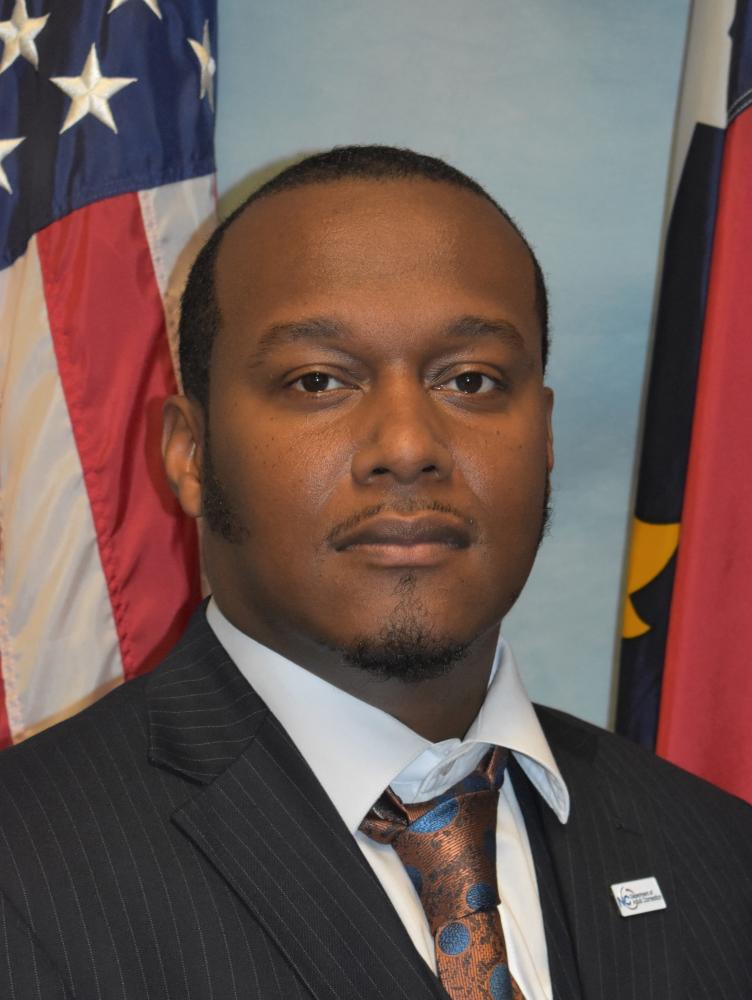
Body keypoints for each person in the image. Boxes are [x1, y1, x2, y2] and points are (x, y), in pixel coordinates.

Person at [0, 145, 750, 1000]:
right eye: (319, 380)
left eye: (471, 380)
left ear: (543, 438)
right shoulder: (25, 869)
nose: (406, 447)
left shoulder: (722, 858)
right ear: (190, 453)